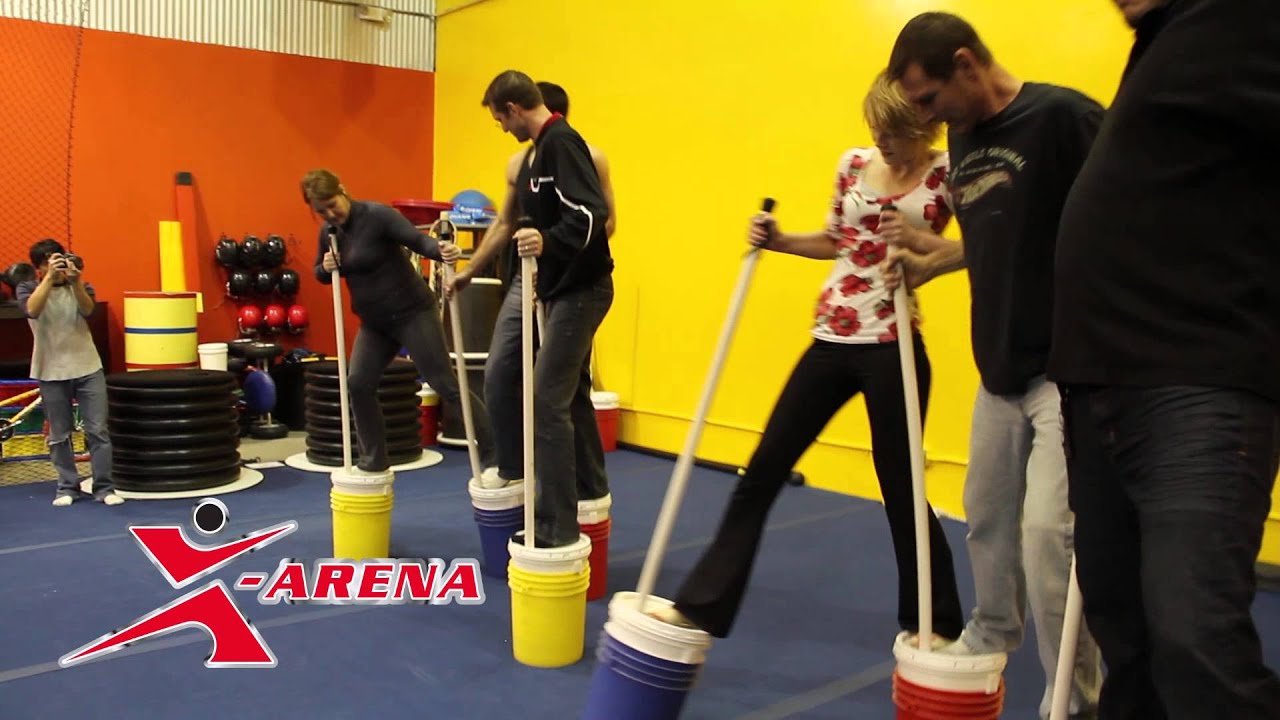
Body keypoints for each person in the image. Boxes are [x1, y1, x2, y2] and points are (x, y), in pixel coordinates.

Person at [648, 72, 966, 645]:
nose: (882, 141)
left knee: (900, 484)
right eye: (876, 129)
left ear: (924, 124)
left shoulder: (948, 172)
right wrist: (778, 241)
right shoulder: (853, 164)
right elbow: (836, 240)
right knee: (763, 469)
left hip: (893, 342)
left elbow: (975, 248)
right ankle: (701, 606)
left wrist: (919, 242)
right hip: (831, 337)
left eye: (894, 132)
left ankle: (936, 622)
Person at [1049, 0, 1280, 717]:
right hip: (1099, 386)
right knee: (1130, 641)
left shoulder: (1244, 16)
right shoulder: (1163, 41)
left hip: (1194, 382)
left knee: (1195, 640)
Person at [883, 12, 1103, 719]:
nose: (926, 117)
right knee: (985, 517)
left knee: (1048, 536)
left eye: (928, 99)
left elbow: (1125, 219)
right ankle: (992, 630)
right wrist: (930, 261)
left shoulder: (1063, 118)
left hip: (1067, 368)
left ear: (965, 64)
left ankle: (1076, 694)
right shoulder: (964, 134)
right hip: (999, 368)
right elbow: (994, 239)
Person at [472, 70, 613, 547]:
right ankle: (585, 489)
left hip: (584, 291)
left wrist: (548, 242)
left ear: (514, 109)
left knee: (547, 399)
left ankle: (556, 526)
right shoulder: (535, 157)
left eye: (500, 119)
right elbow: (521, 221)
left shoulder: (563, 144)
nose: (501, 128)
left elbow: (592, 215)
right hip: (557, 289)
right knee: (566, 395)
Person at [304, 169, 497, 475]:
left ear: (342, 190)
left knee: (445, 384)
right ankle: (374, 460)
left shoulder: (377, 216)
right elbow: (320, 272)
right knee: (358, 383)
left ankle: (495, 454)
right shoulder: (329, 233)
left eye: (332, 205)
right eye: (321, 211)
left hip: (413, 313)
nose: (330, 214)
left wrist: (442, 250)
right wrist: (325, 267)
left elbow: (419, 241)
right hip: (375, 324)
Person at [16, 240, 121, 507]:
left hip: (87, 366)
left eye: (59, 260)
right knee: (59, 434)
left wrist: (75, 281)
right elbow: (32, 310)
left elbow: (88, 310)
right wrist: (49, 279)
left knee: (98, 430)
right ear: (39, 268)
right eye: (49, 263)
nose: (57, 267)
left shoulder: (81, 285)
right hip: (50, 369)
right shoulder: (28, 288)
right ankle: (67, 487)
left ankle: (104, 488)